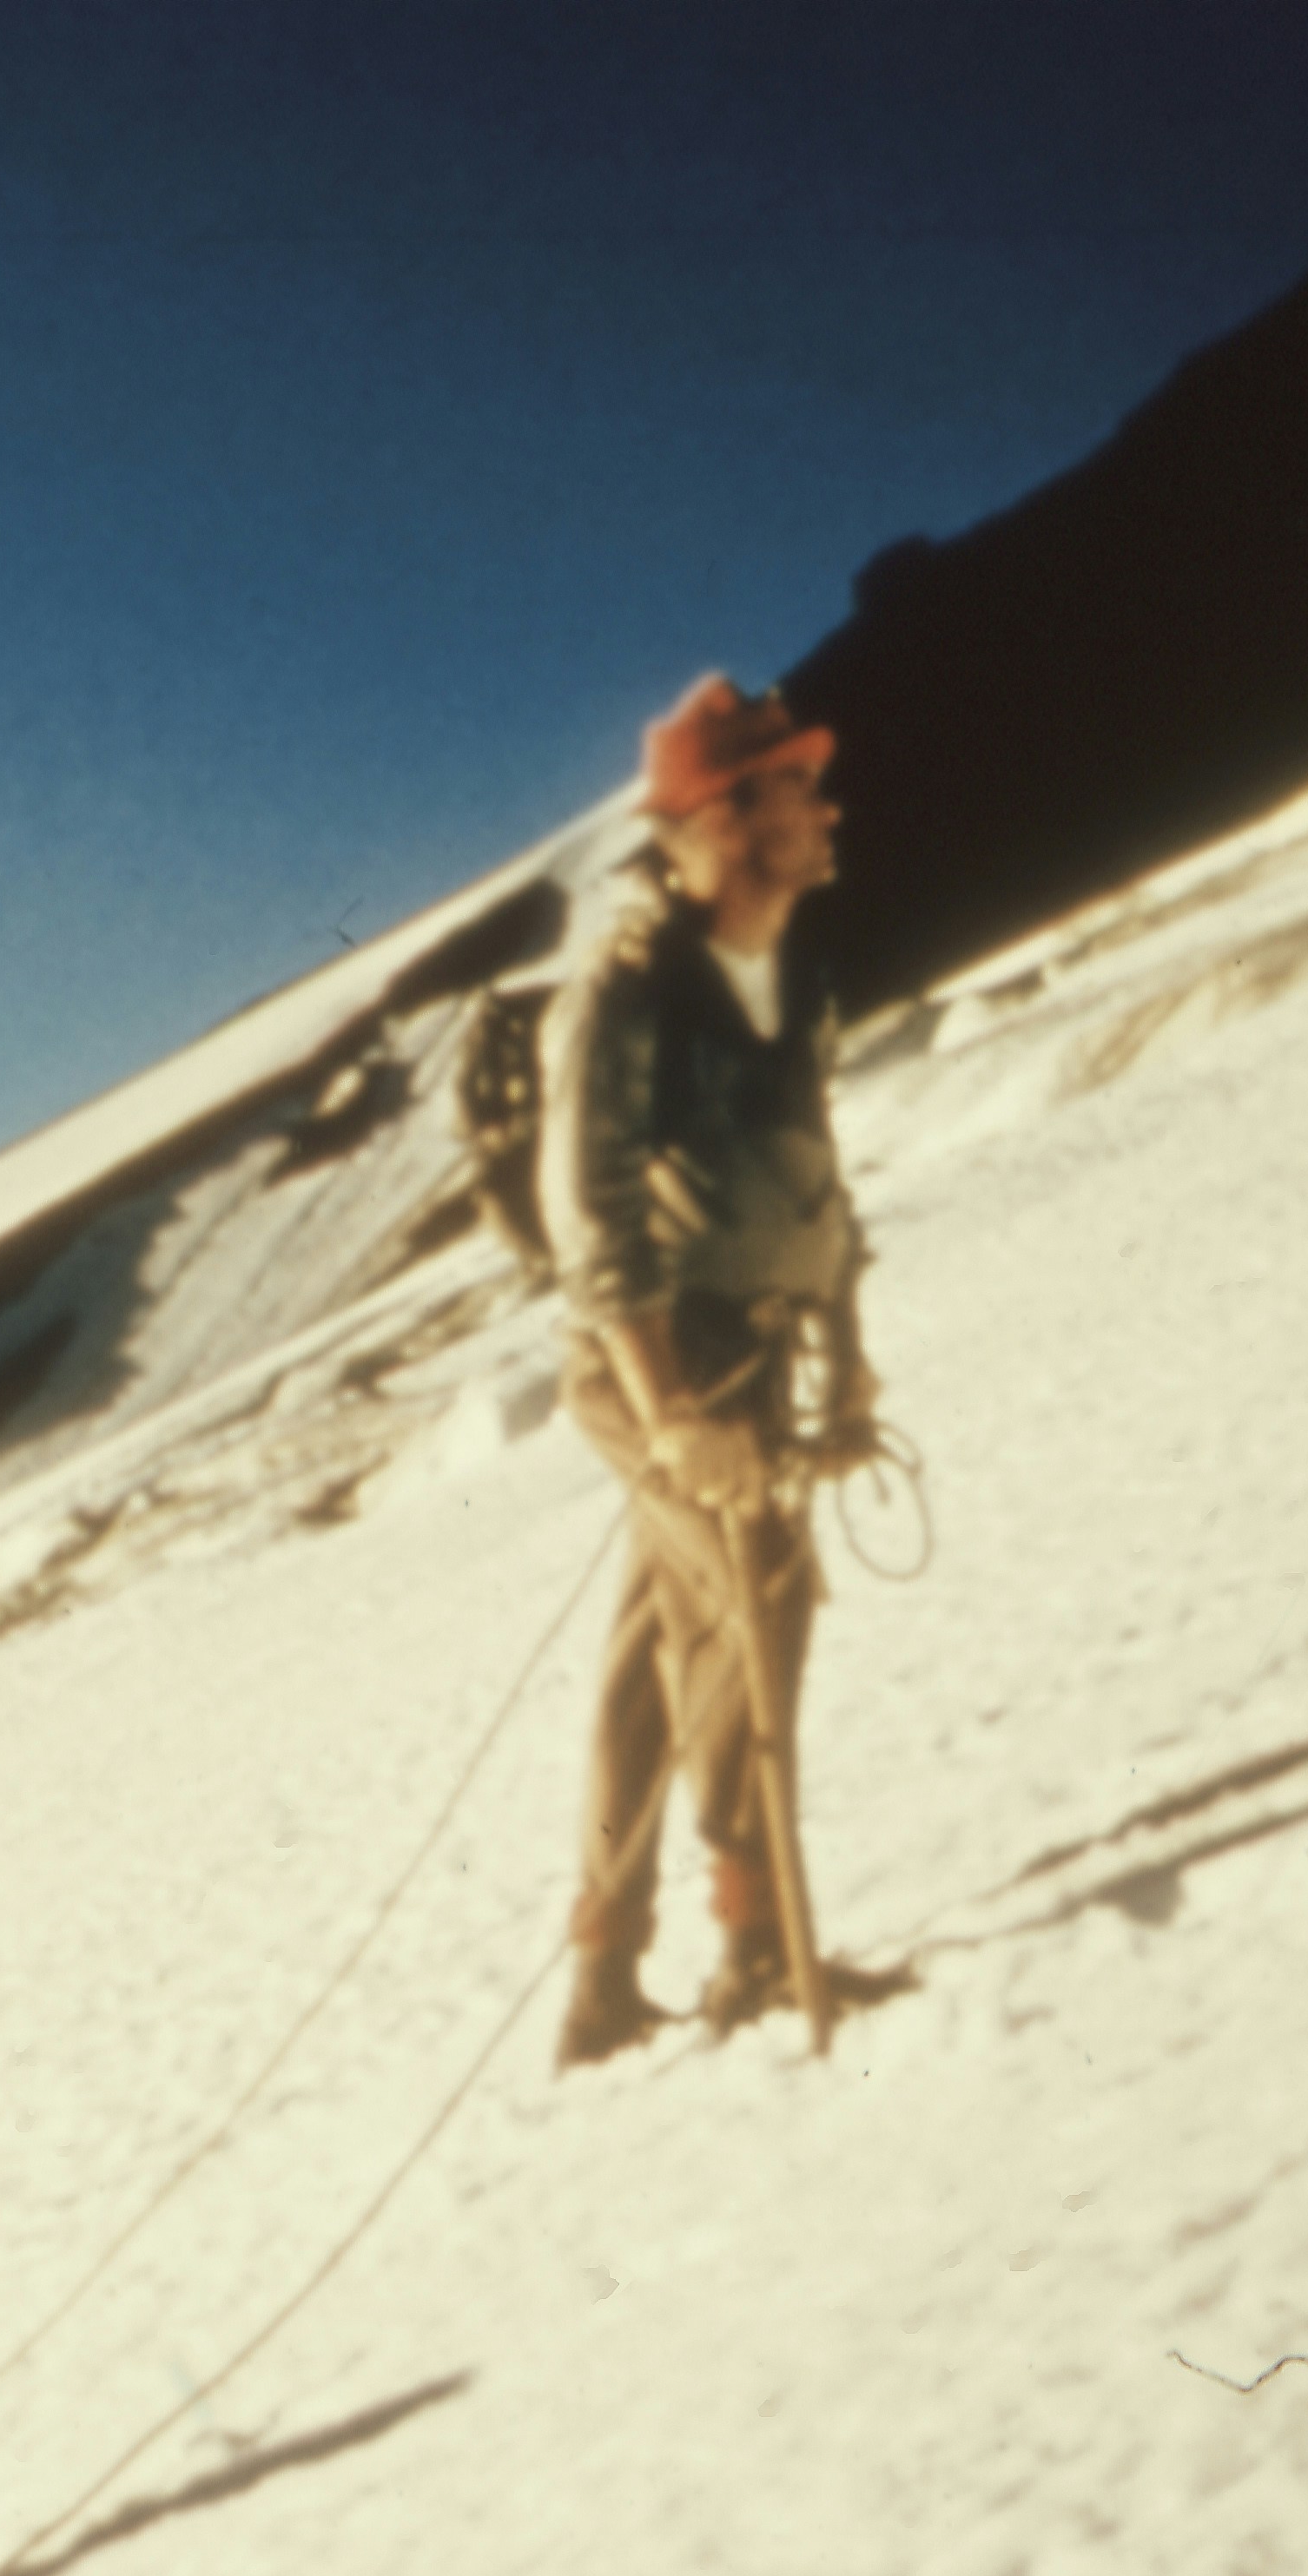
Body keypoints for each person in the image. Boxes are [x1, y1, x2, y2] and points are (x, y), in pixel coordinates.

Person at [542, 674, 894, 2068]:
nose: (823, 809)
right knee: (755, 1602)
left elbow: (811, 1178)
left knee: (657, 1652)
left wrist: (845, 1351)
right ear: (721, 818)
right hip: (664, 1372)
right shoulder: (630, 989)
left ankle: (601, 1981)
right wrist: (673, 1412)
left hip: (749, 1354)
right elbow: (591, 1216)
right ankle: (757, 1947)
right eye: (794, 787)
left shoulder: (791, 974)